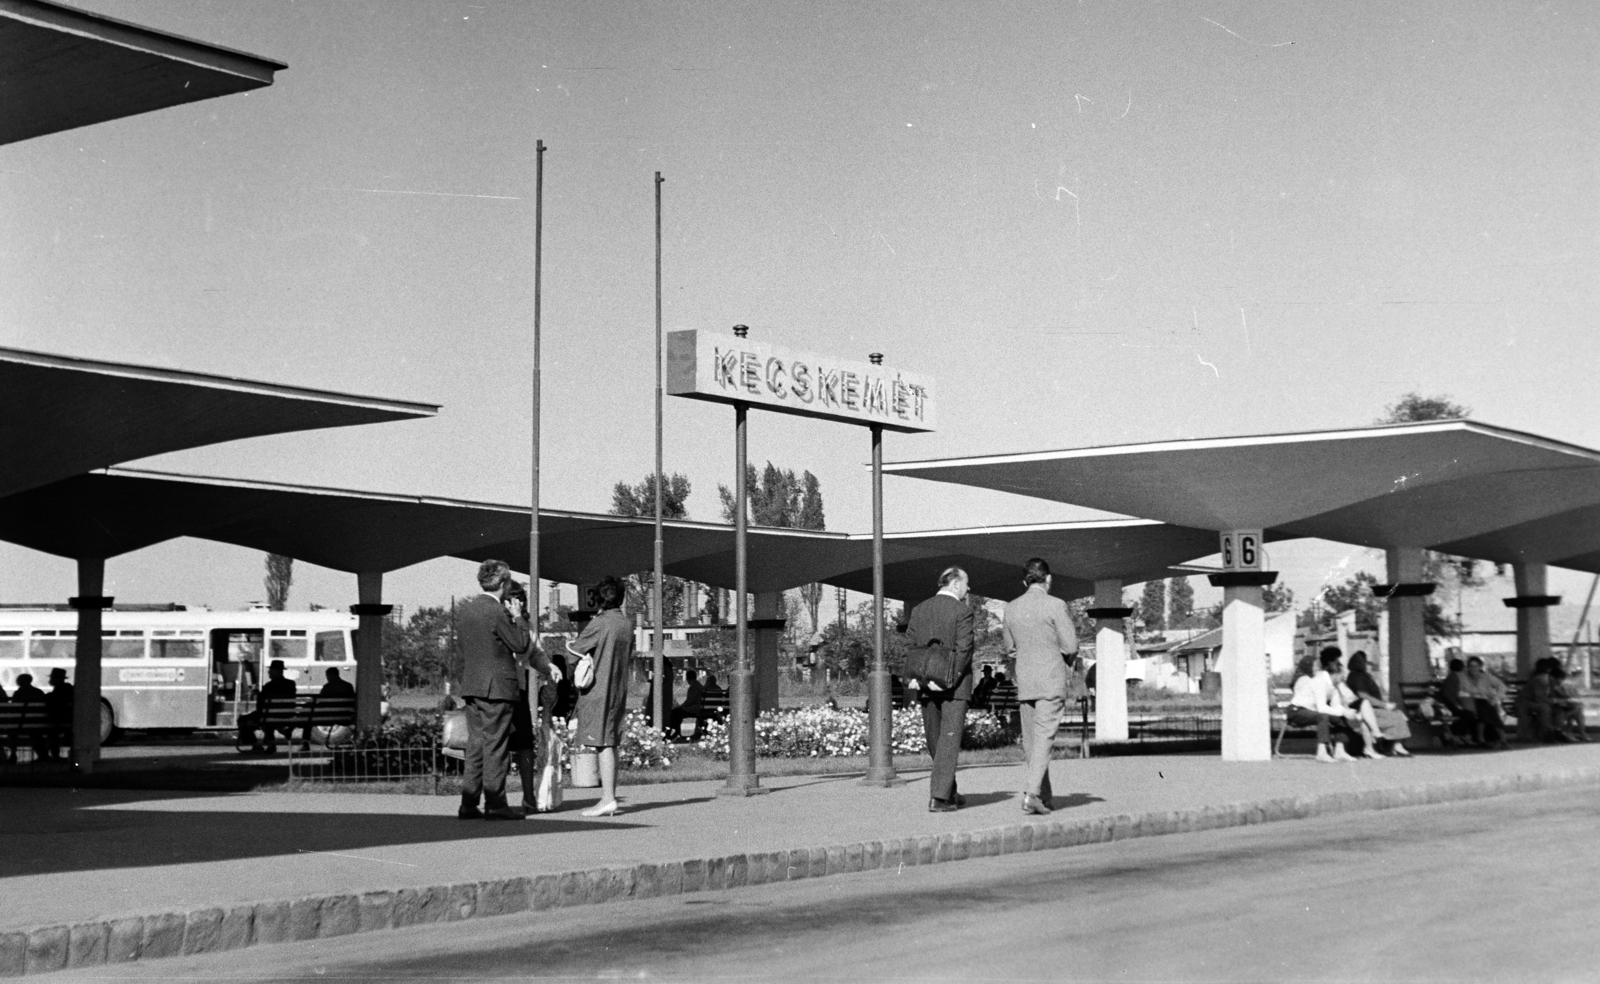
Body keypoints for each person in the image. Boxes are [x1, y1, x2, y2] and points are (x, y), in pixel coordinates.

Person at [458, 559, 550, 821]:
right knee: (495, 747)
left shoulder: (467, 610)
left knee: (476, 746)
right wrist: (519, 618)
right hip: (497, 689)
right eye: (508, 581)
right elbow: (521, 644)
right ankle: (496, 804)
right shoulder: (497, 612)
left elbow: (461, 655)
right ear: (502, 583)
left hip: (472, 687)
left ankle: (469, 803)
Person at [1002, 557, 1079, 815]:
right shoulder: (1056, 605)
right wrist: (1061, 660)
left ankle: (1044, 797)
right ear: (1049, 579)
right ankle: (1032, 795)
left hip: (1025, 682)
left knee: (1032, 743)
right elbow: (1071, 646)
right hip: (1051, 681)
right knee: (1044, 739)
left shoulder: (1011, 608)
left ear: (1025, 581)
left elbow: (1010, 649)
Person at [906, 566, 975, 812]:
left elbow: (910, 645)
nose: (968, 589)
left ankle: (949, 791)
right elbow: (964, 649)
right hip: (954, 687)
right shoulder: (963, 612)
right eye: (966, 583)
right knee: (949, 739)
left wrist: (922, 677)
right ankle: (939, 798)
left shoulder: (919, 609)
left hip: (925, 683)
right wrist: (949, 678)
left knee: (935, 739)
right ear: (955, 584)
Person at [569, 575, 633, 817]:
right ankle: (608, 796)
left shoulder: (600, 623)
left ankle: (608, 798)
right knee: (610, 741)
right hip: (618, 688)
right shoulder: (625, 624)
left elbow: (573, 653)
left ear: (599, 598)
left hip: (598, 689)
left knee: (602, 742)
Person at [1288, 647, 1360, 762]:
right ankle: (1321, 752)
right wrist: (1343, 712)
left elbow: (1336, 707)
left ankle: (1339, 750)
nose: (1343, 679)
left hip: (1310, 711)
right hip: (1297, 711)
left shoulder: (1333, 686)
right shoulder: (1320, 682)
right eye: (1342, 676)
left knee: (1339, 718)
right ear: (1335, 674)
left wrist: (1348, 713)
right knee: (1323, 716)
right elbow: (1322, 708)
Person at [1343, 651, 1412, 757]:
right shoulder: (1356, 677)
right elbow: (1363, 695)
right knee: (1396, 715)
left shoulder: (1362, 676)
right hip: (1368, 710)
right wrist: (1384, 705)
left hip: (1373, 708)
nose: (1368, 664)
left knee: (1398, 714)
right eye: (1366, 662)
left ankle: (1394, 744)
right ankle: (1395, 745)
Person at [238, 659, 301, 754]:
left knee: (242, 720)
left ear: (276, 671)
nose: (268, 672)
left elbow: (260, 705)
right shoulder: (291, 684)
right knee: (268, 717)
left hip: (268, 716)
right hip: (287, 715)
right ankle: (271, 741)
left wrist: (256, 716)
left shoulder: (268, 686)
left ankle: (256, 744)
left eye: (270, 671)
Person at [1460, 656, 1509, 749]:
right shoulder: (1463, 677)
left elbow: (1502, 687)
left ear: (1480, 667)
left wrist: (1496, 699)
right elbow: (1464, 690)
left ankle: (1481, 738)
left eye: (1476, 666)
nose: (1473, 668)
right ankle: (1502, 738)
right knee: (1486, 709)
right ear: (1467, 667)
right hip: (1469, 702)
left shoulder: (1486, 676)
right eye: (1471, 666)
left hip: (1485, 702)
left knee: (1486, 709)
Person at [44, 668, 74, 760]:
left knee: (51, 730)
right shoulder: (69, 689)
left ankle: (53, 755)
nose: (50, 680)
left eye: (52, 678)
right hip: (70, 721)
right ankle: (54, 755)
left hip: (58, 722)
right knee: (52, 729)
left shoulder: (57, 691)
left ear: (57, 679)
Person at [668, 667, 706, 740]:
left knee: (675, 712)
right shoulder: (699, 685)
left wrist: (681, 706)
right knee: (677, 712)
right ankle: (677, 732)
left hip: (695, 709)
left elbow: (689, 701)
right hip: (699, 708)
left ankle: (676, 732)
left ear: (688, 678)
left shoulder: (693, 687)